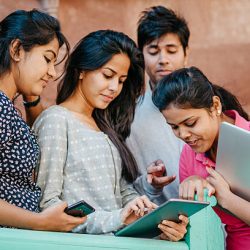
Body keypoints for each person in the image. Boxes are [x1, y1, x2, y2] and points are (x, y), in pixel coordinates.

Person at [33, 29, 188, 240]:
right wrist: (117, 218)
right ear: (81, 70)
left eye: (122, 80)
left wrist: (154, 219)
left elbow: (121, 194)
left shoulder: (104, 126)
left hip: (117, 242)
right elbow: (48, 204)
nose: (114, 88)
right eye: (108, 75)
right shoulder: (57, 120)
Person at [0, 9, 86, 231]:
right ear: (17, 49)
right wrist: (40, 222)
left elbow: (34, 137)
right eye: (47, 59)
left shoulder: (8, 107)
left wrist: (31, 94)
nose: (51, 72)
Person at [152, 66, 250, 250]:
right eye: (174, 127)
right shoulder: (189, 155)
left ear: (215, 106)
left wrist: (227, 198)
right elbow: (190, 222)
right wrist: (178, 226)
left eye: (190, 123)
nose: (183, 134)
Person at [126, 5, 190, 204]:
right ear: (141, 56)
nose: (163, 60)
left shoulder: (209, 104)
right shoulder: (128, 115)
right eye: (153, 51)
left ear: (185, 53)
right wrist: (150, 183)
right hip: (161, 227)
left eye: (171, 50)